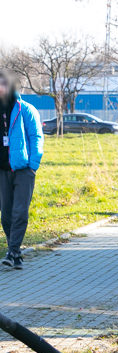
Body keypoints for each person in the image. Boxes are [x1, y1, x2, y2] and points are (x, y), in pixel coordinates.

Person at [0, 70, 43, 270]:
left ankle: (12, 251)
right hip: (2, 170)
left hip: (24, 169)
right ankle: (15, 253)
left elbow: (36, 138)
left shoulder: (26, 109)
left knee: (20, 212)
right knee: (6, 214)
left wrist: (33, 165)